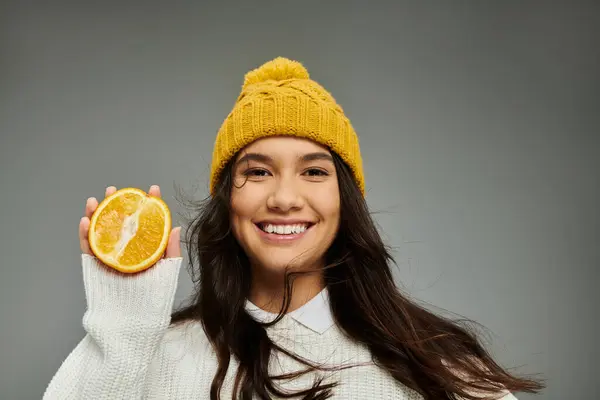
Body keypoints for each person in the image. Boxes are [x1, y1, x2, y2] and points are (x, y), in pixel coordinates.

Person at [43, 57, 544, 400]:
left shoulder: (440, 367)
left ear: (344, 201)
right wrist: (124, 326)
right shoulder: (158, 357)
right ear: (228, 200)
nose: (284, 198)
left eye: (314, 171)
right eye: (257, 172)